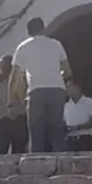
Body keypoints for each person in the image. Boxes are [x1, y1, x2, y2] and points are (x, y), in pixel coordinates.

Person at [13, 17, 69, 152]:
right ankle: (62, 158)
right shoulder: (56, 44)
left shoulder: (23, 47)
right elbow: (67, 71)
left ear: (28, 32)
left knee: (36, 130)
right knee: (57, 129)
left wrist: (16, 99)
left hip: (35, 90)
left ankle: (35, 160)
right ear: (43, 29)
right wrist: (57, 77)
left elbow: (16, 77)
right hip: (57, 89)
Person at [0, 56, 28, 156]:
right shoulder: (19, 79)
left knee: (0, 154)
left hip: (4, 117)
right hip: (18, 117)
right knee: (18, 153)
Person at [62, 77, 92, 152]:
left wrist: (77, 128)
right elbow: (64, 122)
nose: (68, 89)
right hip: (69, 142)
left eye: (70, 86)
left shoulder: (90, 102)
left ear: (77, 87)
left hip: (85, 140)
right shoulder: (66, 106)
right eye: (67, 87)